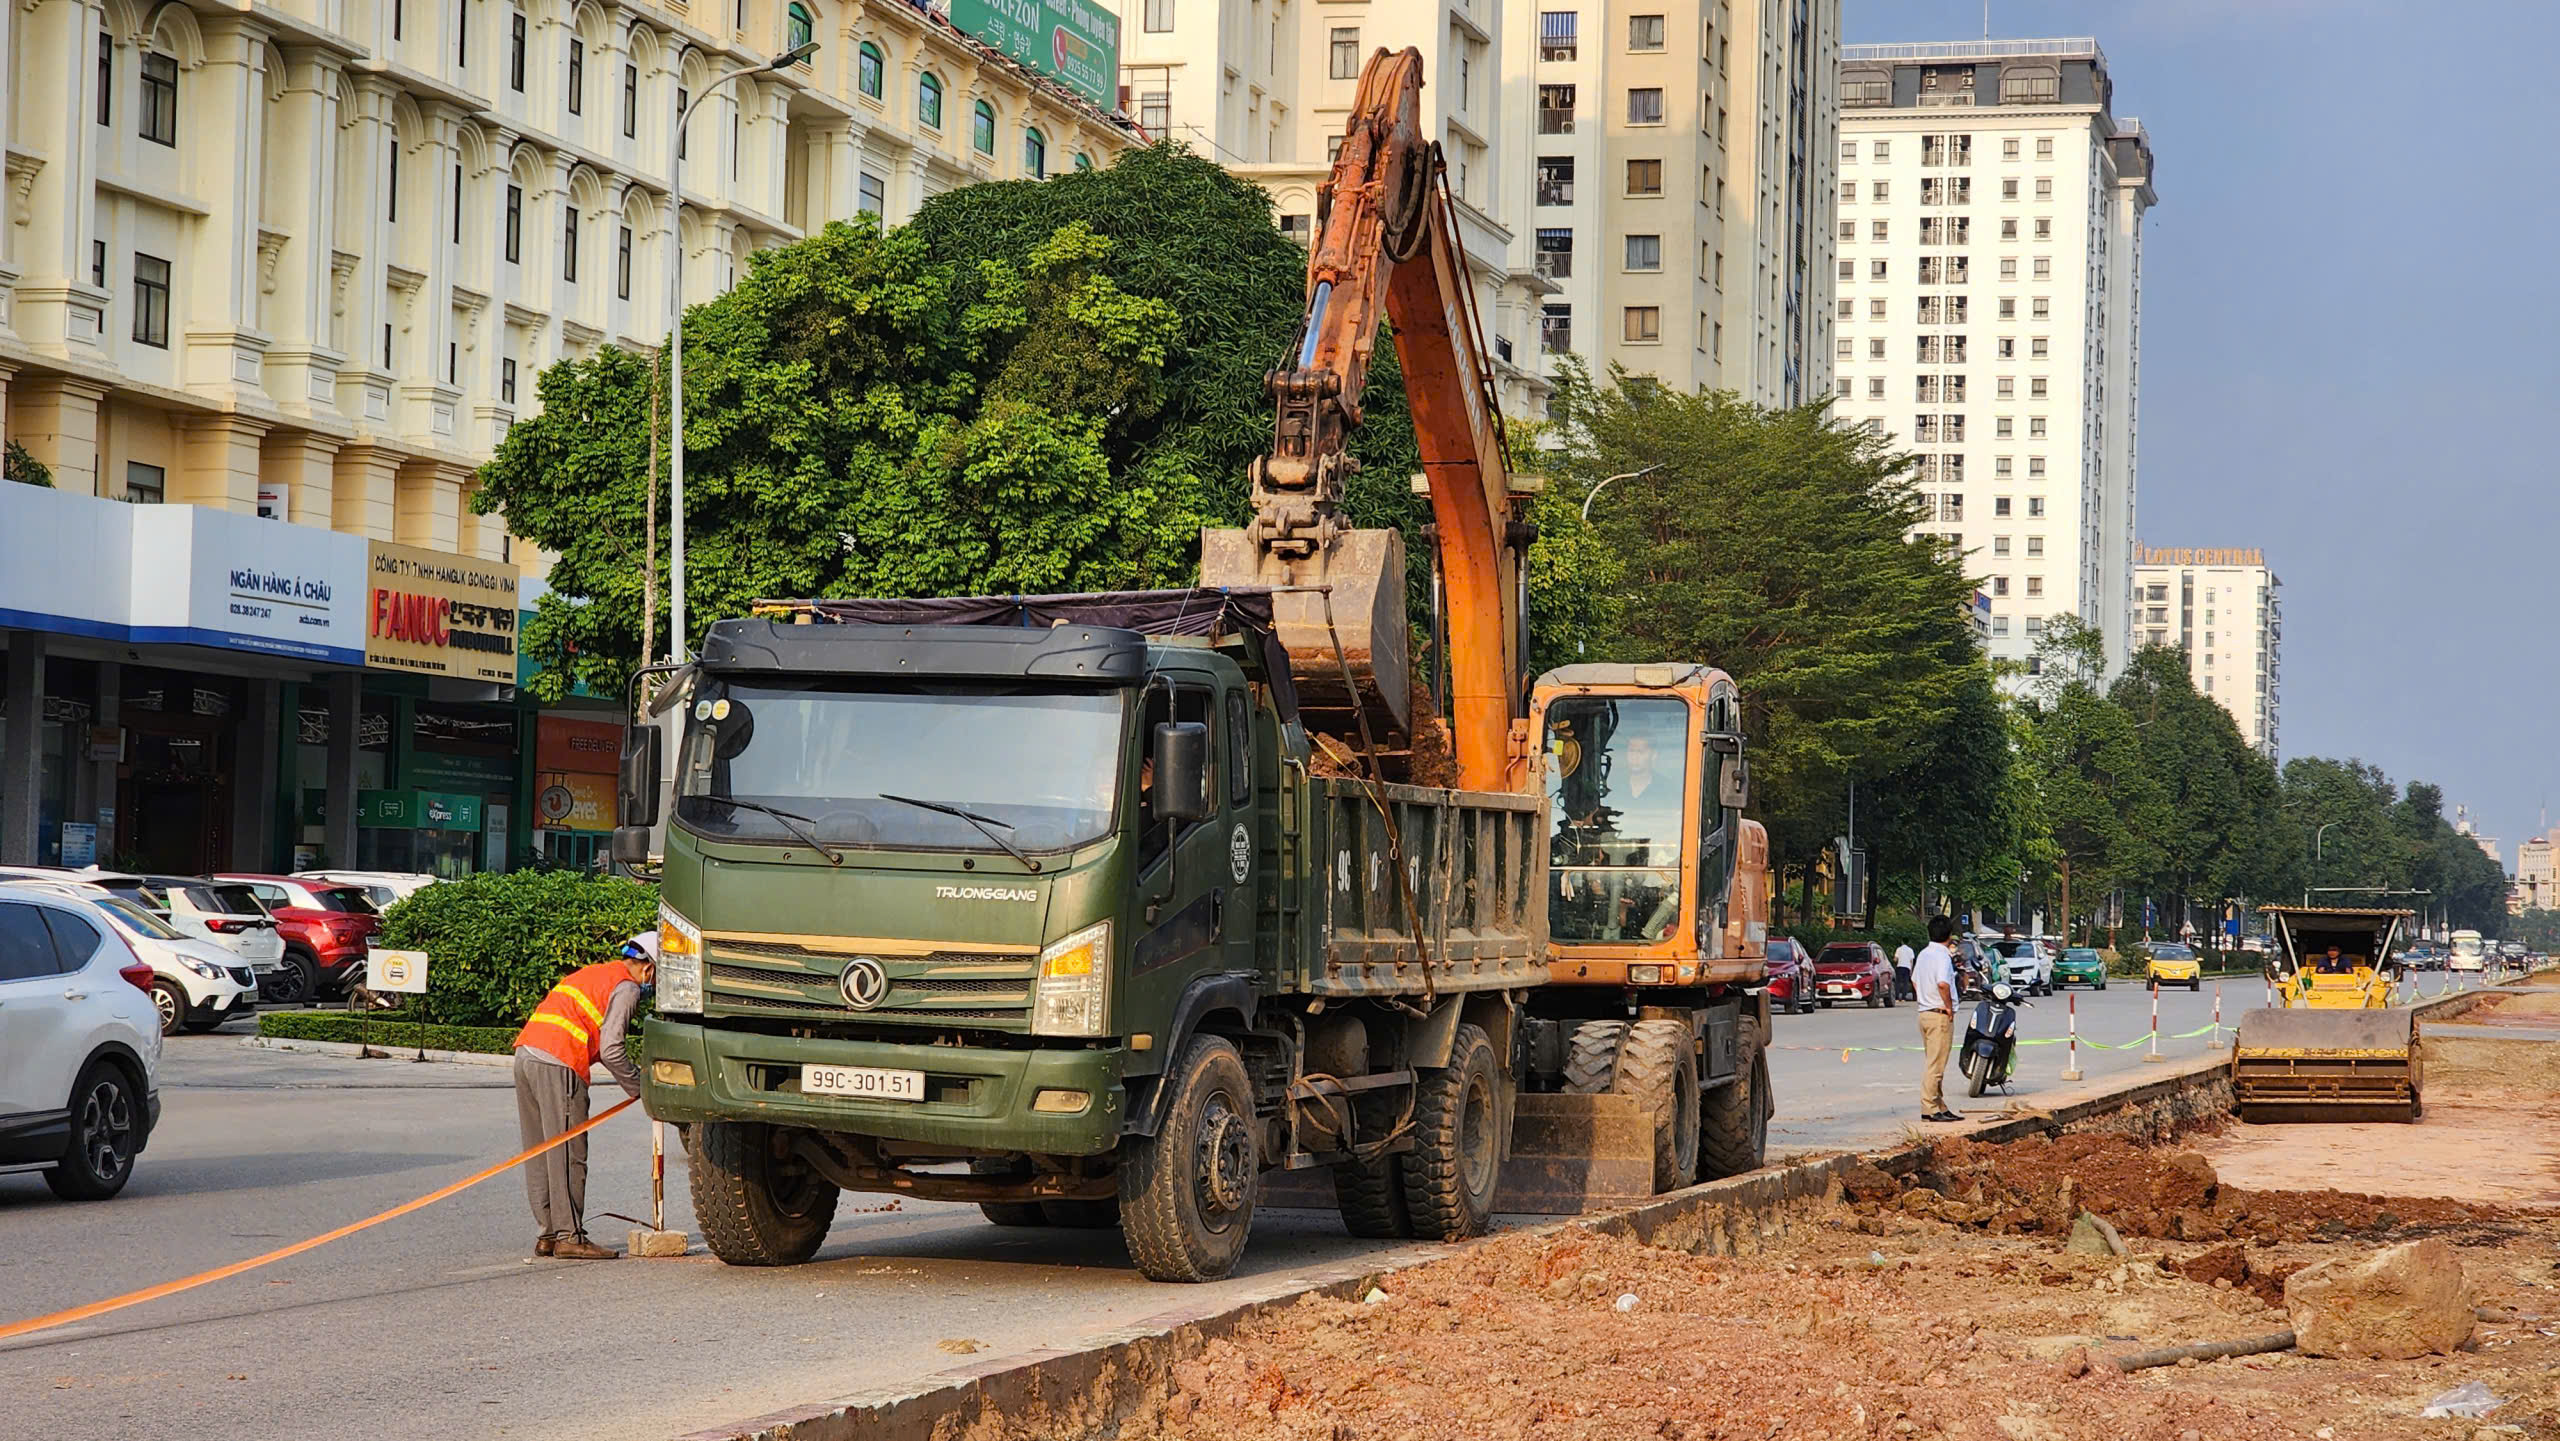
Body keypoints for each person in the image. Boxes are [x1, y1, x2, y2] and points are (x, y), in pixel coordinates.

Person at [512, 932, 656, 1260]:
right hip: (559, 1062)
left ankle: (548, 1233)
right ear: (648, 969)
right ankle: (569, 1236)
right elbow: (612, 1047)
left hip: (527, 1053)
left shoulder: (597, 972)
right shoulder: (628, 987)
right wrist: (640, 1089)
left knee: (542, 1151)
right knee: (568, 1153)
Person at [1912, 917, 1962, 1123]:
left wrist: (1924, 997)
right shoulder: (1942, 957)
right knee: (1936, 1065)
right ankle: (1930, 1108)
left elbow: (1914, 980)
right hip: (1939, 1014)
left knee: (1935, 1061)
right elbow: (1943, 984)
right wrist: (1948, 1006)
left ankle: (1939, 1104)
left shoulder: (1924, 954)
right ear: (1949, 936)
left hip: (1924, 1013)